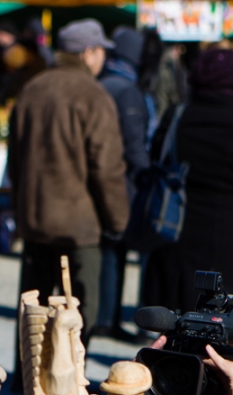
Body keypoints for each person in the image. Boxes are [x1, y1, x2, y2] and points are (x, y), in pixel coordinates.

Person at [8, 18, 128, 348]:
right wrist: (117, 219)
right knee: (80, 310)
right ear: (88, 53)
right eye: (101, 50)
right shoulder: (93, 94)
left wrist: (21, 210)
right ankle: (71, 379)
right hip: (80, 223)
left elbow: (14, 161)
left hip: (35, 219)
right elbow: (107, 167)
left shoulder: (33, 88)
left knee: (35, 307)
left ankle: (29, 376)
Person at [142, 49, 233, 313]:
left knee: (175, 332)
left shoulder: (177, 117)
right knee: (223, 337)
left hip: (175, 238)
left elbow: (156, 160)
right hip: (232, 246)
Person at [95, 26, 151, 341]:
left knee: (107, 249)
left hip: (102, 176)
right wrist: (145, 173)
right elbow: (134, 143)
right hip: (122, 180)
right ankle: (107, 318)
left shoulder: (103, 82)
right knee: (115, 248)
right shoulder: (126, 89)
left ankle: (104, 315)